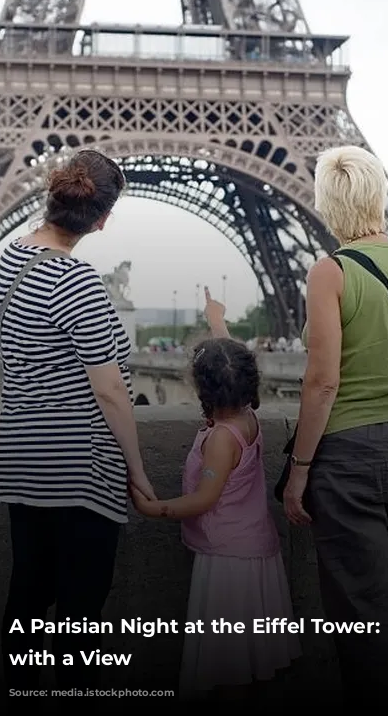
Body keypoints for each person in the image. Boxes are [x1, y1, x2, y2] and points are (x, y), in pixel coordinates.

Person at [0, 149, 156, 714]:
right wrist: (137, 472)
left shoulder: (9, 262)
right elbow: (110, 391)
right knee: (80, 616)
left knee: (28, 597)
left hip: (21, 456)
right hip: (79, 467)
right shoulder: (78, 280)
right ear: (102, 218)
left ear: (52, 194)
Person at [283, 146, 388, 711]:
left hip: (353, 452)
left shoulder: (331, 270)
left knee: (361, 610)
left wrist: (299, 471)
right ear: (378, 194)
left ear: (329, 204)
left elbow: (323, 382)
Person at [131, 287, 300, 700]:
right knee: (250, 659)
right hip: (254, 549)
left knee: (226, 663)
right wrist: (217, 321)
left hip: (228, 560)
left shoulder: (222, 438)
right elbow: (234, 362)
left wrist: (155, 509)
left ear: (203, 390)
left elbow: (205, 499)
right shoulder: (248, 418)